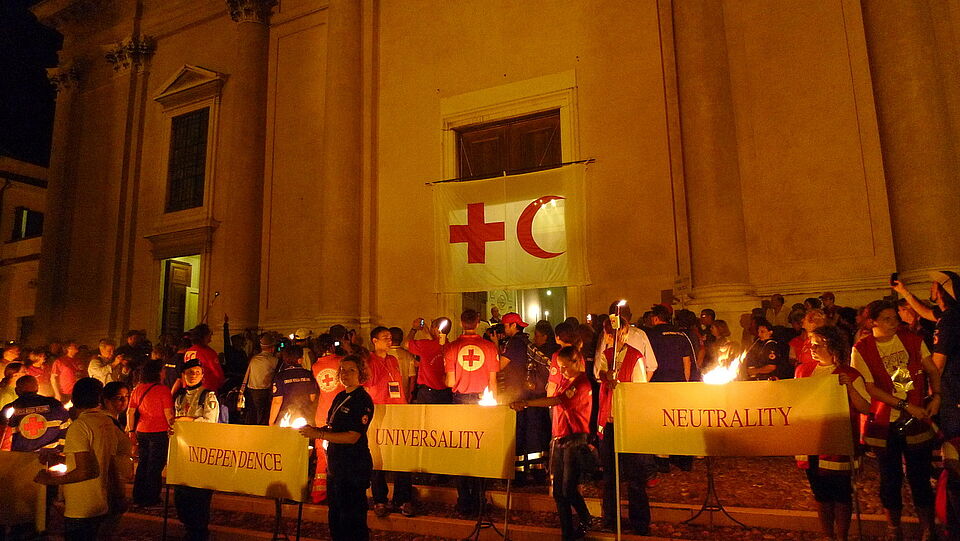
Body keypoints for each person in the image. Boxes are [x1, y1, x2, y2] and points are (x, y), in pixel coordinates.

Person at [852, 301, 941, 540]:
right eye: (888, 319)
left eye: (895, 318)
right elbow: (871, 387)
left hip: (915, 418)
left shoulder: (910, 340)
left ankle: (928, 528)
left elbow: (930, 370)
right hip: (886, 422)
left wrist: (936, 396)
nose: (894, 323)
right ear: (873, 322)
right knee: (890, 479)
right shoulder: (862, 348)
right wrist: (905, 405)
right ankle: (893, 528)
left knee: (920, 477)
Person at [796, 326, 870, 541]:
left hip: (838, 443)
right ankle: (828, 536)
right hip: (812, 440)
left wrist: (850, 388)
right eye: (811, 344)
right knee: (820, 494)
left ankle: (842, 536)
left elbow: (865, 407)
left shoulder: (850, 374)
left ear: (834, 347)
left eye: (818, 345)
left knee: (841, 494)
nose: (812, 349)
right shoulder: (802, 371)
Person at [35, 377, 131, 541]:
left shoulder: (79, 426)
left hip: (81, 505)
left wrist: (49, 480)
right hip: (100, 502)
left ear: (73, 400)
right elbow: (105, 460)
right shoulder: (106, 423)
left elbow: (86, 471)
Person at [512, 346, 593, 540]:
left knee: (568, 488)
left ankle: (585, 518)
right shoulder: (565, 381)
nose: (562, 371)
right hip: (558, 437)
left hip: (574, 439)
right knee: (558, 491)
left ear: (576, 362)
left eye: (565, 366)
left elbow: (557, 400)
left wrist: (527, 403)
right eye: (560, 367)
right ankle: (567, 533)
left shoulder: (582, 383)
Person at [298, 355, 374, 541]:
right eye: (343, 370)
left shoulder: (362, 400)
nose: (345, 374)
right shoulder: (340, 396)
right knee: (336, 515)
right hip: (336, 466)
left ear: (361, 373)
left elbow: (352, 436)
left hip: (353, 467)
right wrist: (314, 430)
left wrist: (320, 435)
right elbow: (333, 427)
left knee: (352, 518)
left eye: (351, 370)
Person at [445, 309, 500, 516]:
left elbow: (450, 381)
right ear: (478, 323)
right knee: (480, 449)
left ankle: (463, 500)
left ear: (461, 323)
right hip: (482, 401)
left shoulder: (451, 347)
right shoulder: (489, 347)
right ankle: (479, 499)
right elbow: (493, 382)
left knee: (461, 448)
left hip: (460, 401)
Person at [365, 326, 415, 517]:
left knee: (402, 455)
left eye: (390, 337)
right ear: (374, 340)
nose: (389, 340)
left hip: (398, 412)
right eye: (385, 337)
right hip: (378, 413)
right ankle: (380, 499)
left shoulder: (393, 360)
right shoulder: (368, 361)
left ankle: (403, 499)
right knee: (377, 457)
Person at [172, 359, 220, 540]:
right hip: (183, 451)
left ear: (202, 375)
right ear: (183, 375)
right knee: (181, 496)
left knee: (199, 496)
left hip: (201, 452)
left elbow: (210, 421)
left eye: (197, 372)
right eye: (189, 372)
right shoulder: (179, 396)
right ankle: (188, 528)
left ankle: (199, 532)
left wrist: (187, 420)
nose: (193, 376)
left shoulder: (208, 396)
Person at [646, 304, 695, 472]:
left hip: (659, 382)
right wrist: (685, 382)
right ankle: (684, 459)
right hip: (678, 383)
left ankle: (663, 460)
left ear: (655, 318)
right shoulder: (681, 334)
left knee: (661, 421)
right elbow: (687, 361)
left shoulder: (650, 334)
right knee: (679, 420)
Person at [126, 360, 174, 507]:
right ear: (158, 372)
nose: (165, 373)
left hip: (142, 430)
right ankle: (151, 497)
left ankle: (138, 495)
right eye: (163, 370)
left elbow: (130, 412)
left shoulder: (137, 389)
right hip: (159, 431)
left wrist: (131, 430)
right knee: (155, 466)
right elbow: (168, 414)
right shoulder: (163, 390)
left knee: (143, 463)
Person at [310, 334, 345, 503]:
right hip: (340, 413)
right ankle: (340, 493)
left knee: (322, 454)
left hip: (322, 414)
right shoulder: (342, 361)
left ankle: (319, 494)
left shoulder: (315, 365)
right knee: (341, 453)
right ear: (332, 346)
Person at [1, 375, 70, 454]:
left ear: (16, 390)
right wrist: (61, 452)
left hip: (21, 458)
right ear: (37, 388)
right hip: (50, 457)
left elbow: (2, 437)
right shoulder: (54, 404)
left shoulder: (9, 409)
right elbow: (66, 431)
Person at [405, 317, 453, 405]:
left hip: (427, 392)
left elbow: (407, 344)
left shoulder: (426, 345)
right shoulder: (451, 346)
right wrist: (428, 334)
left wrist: (414, 329)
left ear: (436, 329)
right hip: (446, 392)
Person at [269, 345, 318, 426]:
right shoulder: (309, 374)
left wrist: (271, 422)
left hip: (286, 417)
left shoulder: (280, 376)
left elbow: (277, 401)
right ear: (300, 360)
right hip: (306, 416)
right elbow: (312, 397)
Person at [241, 334, 278, 426]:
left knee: (252, 414)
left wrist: (242, 390)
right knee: (262, 416)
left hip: (251, 391)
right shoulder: (274, 360)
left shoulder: (254, 359)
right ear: (272, 348)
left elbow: (246, 376)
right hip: (264, 392)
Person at [183, 324, 224, 393]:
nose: (210, 338)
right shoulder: (208, 352)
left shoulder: (189, 351)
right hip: (207, 388)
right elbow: (217, 371)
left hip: (191, 388)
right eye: (209, 335)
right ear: (204, 336)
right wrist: (221, 382)